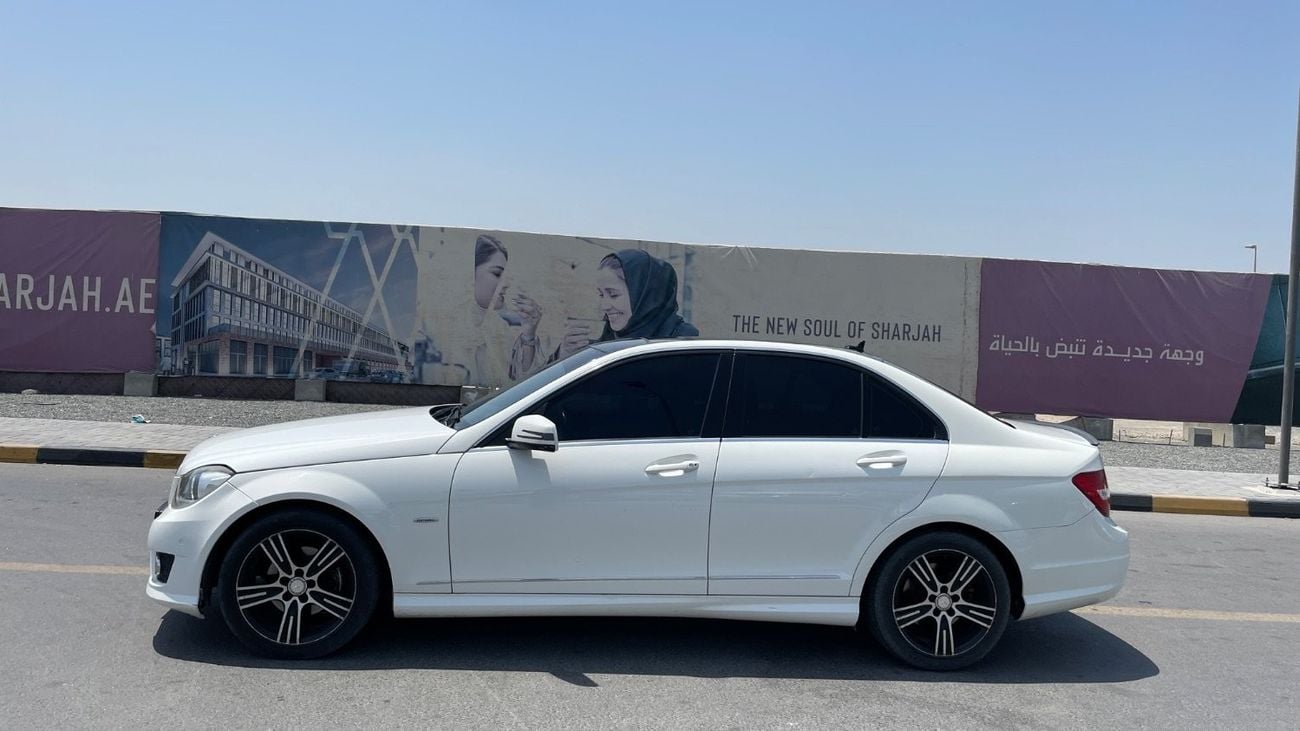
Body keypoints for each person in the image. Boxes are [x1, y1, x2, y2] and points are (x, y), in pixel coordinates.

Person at [553, 248, 699, 360]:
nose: (604, 306)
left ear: (644, 295)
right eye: (601, 294)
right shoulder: (607, 339)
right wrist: (564, 357)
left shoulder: (681, 342)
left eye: (613, 294)